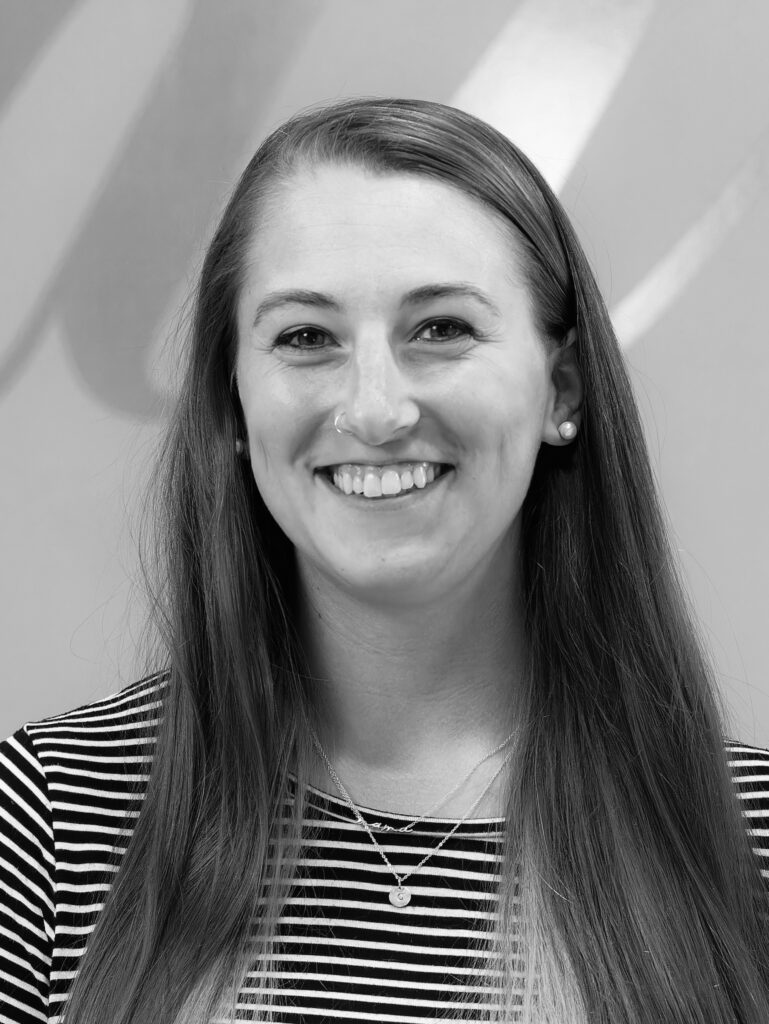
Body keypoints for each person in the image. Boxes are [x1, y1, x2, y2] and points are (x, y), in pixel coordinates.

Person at [1, 96, 768, 1024]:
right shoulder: (46, 820)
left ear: (560, 386)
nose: (374, 409)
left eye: (440, 328)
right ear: (233, 400)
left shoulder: (748, 843)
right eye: (305, 338)